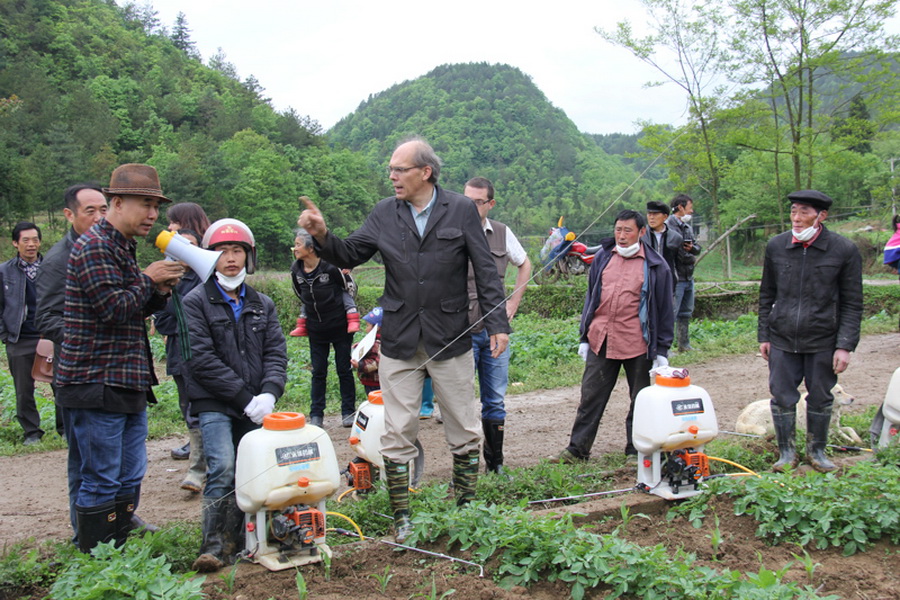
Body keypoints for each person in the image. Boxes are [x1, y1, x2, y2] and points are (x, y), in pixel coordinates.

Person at [298, 137, 511, 543]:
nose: (392, 176)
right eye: (391, 170)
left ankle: (465, 511)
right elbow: (349, 253)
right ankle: (402, 520)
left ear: (425, 172)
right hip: (399, 339)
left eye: (400, 169)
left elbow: (485, 270)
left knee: (464, 428)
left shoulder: (461, 209)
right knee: (397, 431)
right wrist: (323, 234)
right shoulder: (384, 213)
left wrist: (497, 323)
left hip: (450, 336)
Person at [54, 164, 185, 553]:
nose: (152, 215)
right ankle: (97, 557)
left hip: (125, 379)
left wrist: (158, 290)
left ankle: (117, 548)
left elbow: (130, 307)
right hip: (96, 381)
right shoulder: (95, 245)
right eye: (145, 205)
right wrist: (148, 278)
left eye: (155, 207)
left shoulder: (121, 246)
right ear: (117, 202)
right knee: (102, 477)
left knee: (128, 474)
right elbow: (112, 307)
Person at [182, 218, 287, 572]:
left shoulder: (262, 304)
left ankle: (246, 540)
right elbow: (201, 359)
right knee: (224, 466)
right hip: (215, 402)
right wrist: (244, 398)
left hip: (256, 404)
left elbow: (276, 354)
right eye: (222, 251)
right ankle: (212, 546)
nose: (231, 257)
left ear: (248, 256)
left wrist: (269, 394)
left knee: (253, 471)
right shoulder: (195, 302)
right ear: (209, 257)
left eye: (237, 250)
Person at [557, 209, 674, 463]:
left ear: (641, 233)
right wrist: (584, 337)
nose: (621, 236)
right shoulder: (602, 257)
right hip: (602, 339)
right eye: (618, 230)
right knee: (590, 396)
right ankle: (577, 450)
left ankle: (636, 449)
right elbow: (591, 298)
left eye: (627, 230)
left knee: (640, 399)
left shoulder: (656, 266)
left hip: (638, 343)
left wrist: (662, 350)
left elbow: (665, 310)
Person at [758, 190, 863, 473]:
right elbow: (766, 294)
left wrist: (845, 345)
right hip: (782, 337)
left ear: (821, 216)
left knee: (820, 395)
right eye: (793, 211)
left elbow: (853, 303)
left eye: (804, 212)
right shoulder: (777, 246)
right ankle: (786, 453)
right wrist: (764, 335)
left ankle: (817, 452)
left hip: (823, 339)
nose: (797, 218)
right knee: (782, 395)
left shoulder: (843, 250)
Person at [34, 183, 113, 544]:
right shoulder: (57, 260)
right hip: (79, 371)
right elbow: (47, 320)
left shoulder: (110, 248)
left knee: (111, 459)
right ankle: (85, 533)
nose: (99, 218)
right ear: (69, 215)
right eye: (90, 211)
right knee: (85, 458)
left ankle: (114, 521)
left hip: (109, 371)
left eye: (103, 210)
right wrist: (91, 330)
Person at [464, 177, 532, 475]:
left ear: (490, 204)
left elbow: (525, 264)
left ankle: (496, 464)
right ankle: (464, 466)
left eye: (478, 201)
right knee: (461, 401)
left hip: (495, 330)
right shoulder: (449, 232)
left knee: (494, 399)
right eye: (467, 200)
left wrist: (513, 304)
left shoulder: (502, 233)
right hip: (460, 330)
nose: (471, 206)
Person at [152, 228, 207, 492]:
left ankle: (205, 468)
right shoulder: (168, 280)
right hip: (179, 353)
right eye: (180, 245)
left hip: (204, 353)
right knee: (189, 409)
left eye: (191, 244)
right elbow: (162, 320)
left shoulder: (206, 275)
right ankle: (198, 467)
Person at [289, 229, 360, 428]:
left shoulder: (330, 267)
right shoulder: (296, 270)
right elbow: (299, 293)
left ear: (311, 248)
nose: (295, 248)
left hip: (340, 327)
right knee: (318, 371)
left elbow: (349, 289)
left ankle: (348, 411)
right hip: (316, 329)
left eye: (298, 244)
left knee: (343, 369)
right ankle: (316, 414)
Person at [163, 202, 211, 462]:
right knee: (187, 397)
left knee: (200, 396)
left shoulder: (203, 261)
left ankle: (202, 449)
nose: (169, 228)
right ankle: (196, 443)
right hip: (178, 345)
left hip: (196, 344)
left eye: (174, 223)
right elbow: (164, 315)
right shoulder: (173, 263)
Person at [0, 222, 44, 445]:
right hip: (19, 338)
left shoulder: (50, 267)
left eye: (35, 239)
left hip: (49, 336)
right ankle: (32, 432)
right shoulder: (4, 271)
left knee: (62, 384)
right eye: (25, 240)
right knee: (23, 389)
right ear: (15, 243)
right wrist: (5, 334)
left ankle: (65, 428)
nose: (31, 245)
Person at [666, 194, 701, 351]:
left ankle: (684, 345)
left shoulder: (687, 227)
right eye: (689, 207)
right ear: (680, 207)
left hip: (688, 276)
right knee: (671, 314)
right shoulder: (668, 226)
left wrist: (692, 250)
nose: (691, 211)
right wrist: (690, 256)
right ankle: (665, 348)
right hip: (676, 277)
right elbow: (677, 252)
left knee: (686, 312)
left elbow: (697, 248)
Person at [641, 200, 682, 283]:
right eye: (649, 214)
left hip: (668, 282)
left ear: (665, 217)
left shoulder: (675, 237)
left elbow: (679, 263)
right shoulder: (641, 236)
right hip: (645, 281)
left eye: (655, 214)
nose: (651, 217)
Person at [352, 306, 382, 394]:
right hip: (370, 380)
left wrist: (360, 364)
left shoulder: (378, 343)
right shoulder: (372, 339)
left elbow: (376, 363)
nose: (366, 328)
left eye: (367, 325)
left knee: (375, 402)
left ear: (377, 328)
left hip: (375, 382)